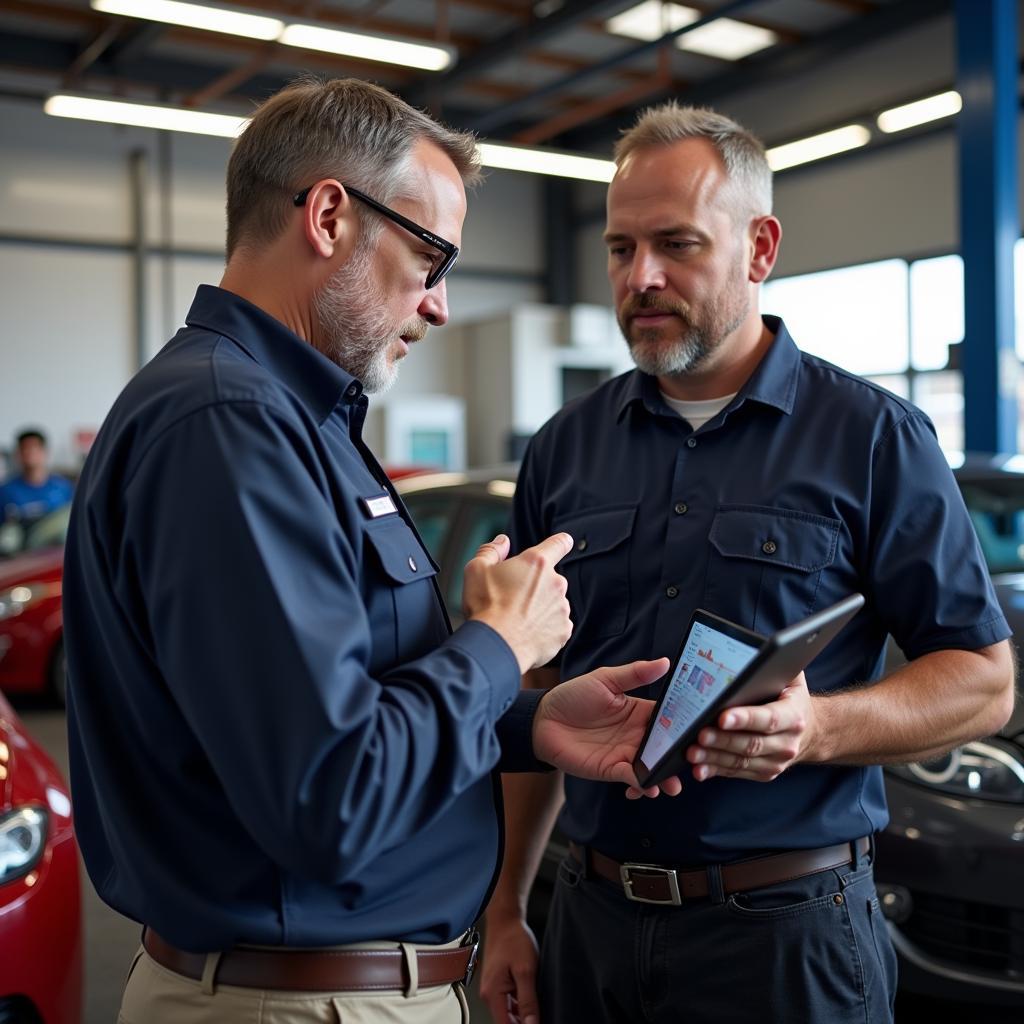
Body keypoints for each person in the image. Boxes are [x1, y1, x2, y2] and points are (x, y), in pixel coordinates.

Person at [62, 77, 680, 1024]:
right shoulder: (228, 424)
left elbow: (341, 705)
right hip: (293, 1000)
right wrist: (497, 646)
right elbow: (330, 795)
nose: (438, 305)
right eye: (431, 257)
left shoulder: (296, 418)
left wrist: (528, 720)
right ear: (328, 216)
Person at [480, 103, 1016, 1024]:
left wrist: (819, 728)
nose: (640, 278)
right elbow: (535, 689)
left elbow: (982, 683)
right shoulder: (565, 449)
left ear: (760, 247)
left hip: (787, 942)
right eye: (619, 249)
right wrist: (505, 911)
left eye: (676, 244)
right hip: (589, 924)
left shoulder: (872, 438)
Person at [0, 427, 73, 524]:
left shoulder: (63, 488)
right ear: (18, 454)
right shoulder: (6, 491)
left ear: (45, 452)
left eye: (34, 448)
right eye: (25, 449)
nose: (29, 453)